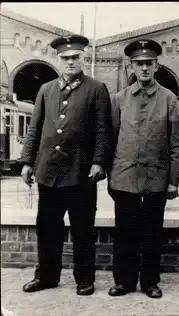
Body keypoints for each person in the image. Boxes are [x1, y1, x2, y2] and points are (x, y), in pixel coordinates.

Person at [19, 34, 111, 296]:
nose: (70, 62)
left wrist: (98, 162)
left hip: (80, 172)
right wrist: (27, 162)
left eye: (75, 57)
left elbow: (104, 131)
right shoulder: (46, 90)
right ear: (57, 60)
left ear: (83, 58)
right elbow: (35, 129)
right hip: (48, 172)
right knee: (48, 228)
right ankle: (47, 276)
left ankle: (84, 278)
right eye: (65, 58)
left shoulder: (95, 89)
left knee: (83, 229)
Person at [106, 39, 179, 299]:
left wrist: (173, 181)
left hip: (156, 178)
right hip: (125, 177)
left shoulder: (169, 99)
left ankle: (150, 281)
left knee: (152, 233)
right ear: (132, 66)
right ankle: (124, 281)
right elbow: (111, 139)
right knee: (125, 232)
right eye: (139, 64)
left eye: (149, 63)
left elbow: (176, 143)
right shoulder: (119, 100)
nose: (144, 68)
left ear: (157, 65)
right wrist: (111, 175)